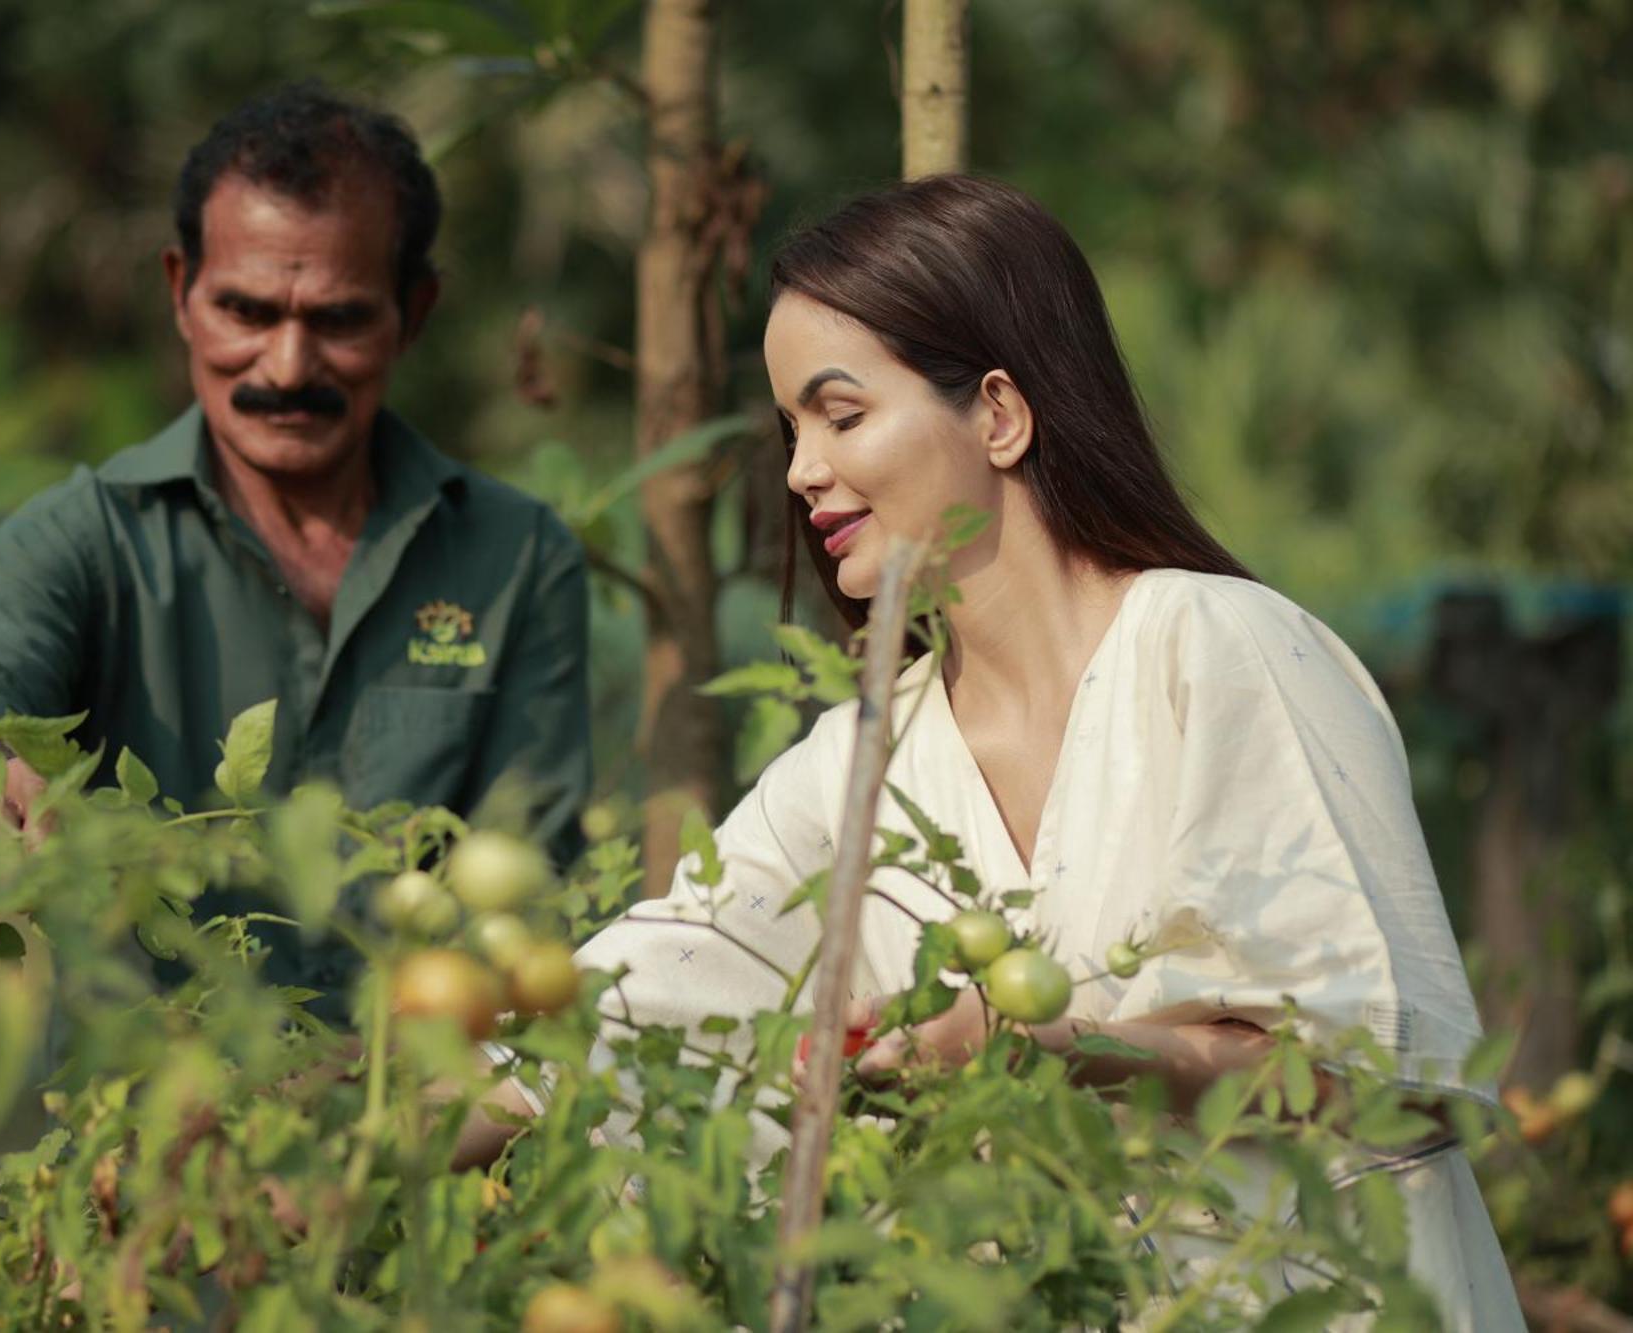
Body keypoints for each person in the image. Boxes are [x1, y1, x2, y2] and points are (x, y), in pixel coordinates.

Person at [460, 175, 1521, 1328]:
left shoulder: (1214, 648)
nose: (798, 470)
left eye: (840, 414)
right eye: (789, 428)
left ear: (1000, 414)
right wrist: (330, 1145)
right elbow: (621, 1013)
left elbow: (1397, 1089)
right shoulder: (863, 759)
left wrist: (1047, 1047)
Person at [0, 82, 591, 1015]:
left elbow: (528, 890)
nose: (287, 367)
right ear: (182, 292)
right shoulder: (88, 539)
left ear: (414, 313)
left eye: (337, 319)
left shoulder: (516, 557)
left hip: (435, 1127)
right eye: (247, 312)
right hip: (140, 1131)